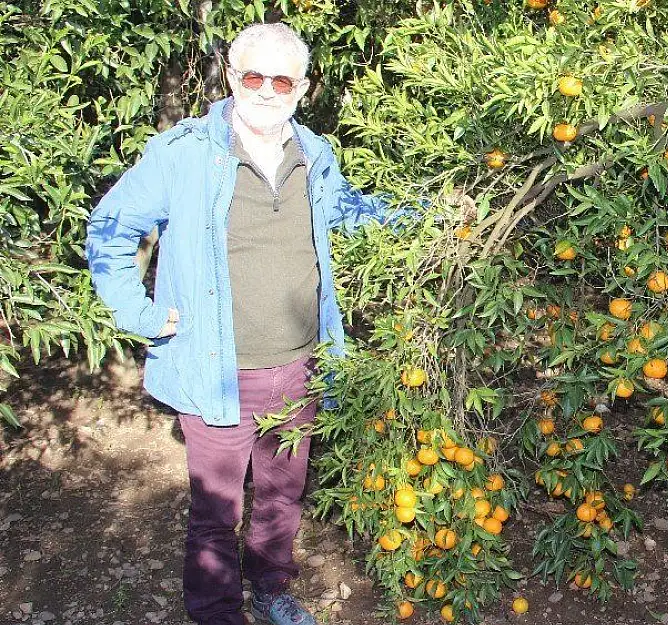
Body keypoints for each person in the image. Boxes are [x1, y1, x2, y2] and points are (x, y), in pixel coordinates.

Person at [85, 22, 443, 625]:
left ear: (301, 88)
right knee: (216, 509)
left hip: (303, 363)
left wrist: (429, 216)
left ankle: (273, 588)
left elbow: (351, 217)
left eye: (283, 79)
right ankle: (217, 612)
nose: (268, 90)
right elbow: (109, 229)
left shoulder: (314, 153)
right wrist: (139, 313)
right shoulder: (184, 154)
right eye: (255, 76)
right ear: (230, 76)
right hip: (216, 369)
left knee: (282, 494)